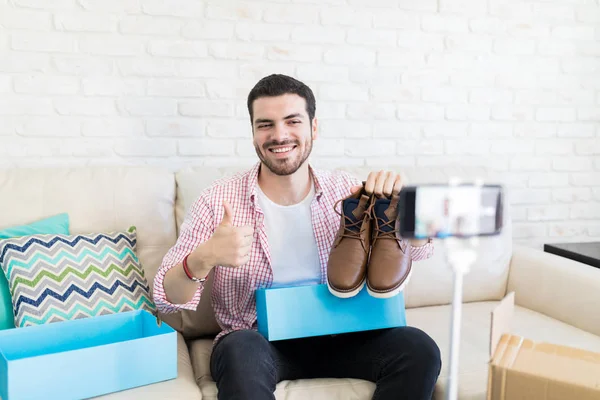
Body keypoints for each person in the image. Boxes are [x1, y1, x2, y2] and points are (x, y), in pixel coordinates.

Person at [153, 74, 442, 400]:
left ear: (313, 128)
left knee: (419, 348)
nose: (279, 135)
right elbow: (167, 296)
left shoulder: (346, 191)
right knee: (238, 350)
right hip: (259, 340)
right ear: (252, 134)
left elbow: (417, 253)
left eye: (292, 121)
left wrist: (406, 211)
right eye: (265, 124)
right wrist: (203, 258)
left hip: (347, 335)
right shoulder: (218, 200)